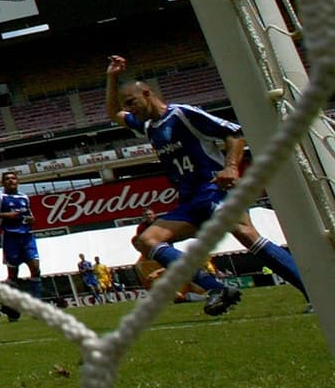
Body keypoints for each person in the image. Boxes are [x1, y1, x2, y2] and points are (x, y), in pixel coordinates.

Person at [105, 55, 309, 315]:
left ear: (147, 93)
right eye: (128, 105)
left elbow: (234, 133)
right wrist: (112, 77)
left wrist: (231, 167)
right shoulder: (149, 127)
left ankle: (315, 291)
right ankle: (217, 288)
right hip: (189, 202)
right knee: (146, 240)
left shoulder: (183, 114)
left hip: (214, 190)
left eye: (132, 102)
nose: (130, 109)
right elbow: (113, 113)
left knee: (246, 234)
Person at [0, 171, 43, 300]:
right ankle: (11, 306)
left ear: (18, 181)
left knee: (35, 268)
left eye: (13, 178)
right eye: (7, 179)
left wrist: (31, 220)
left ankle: (38, 303)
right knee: (13, 274)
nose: (10, 181)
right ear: (2, 182)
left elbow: (30, 216)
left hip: (27, 235)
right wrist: (8, 215)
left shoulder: (24, 197)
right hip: (10, 236)